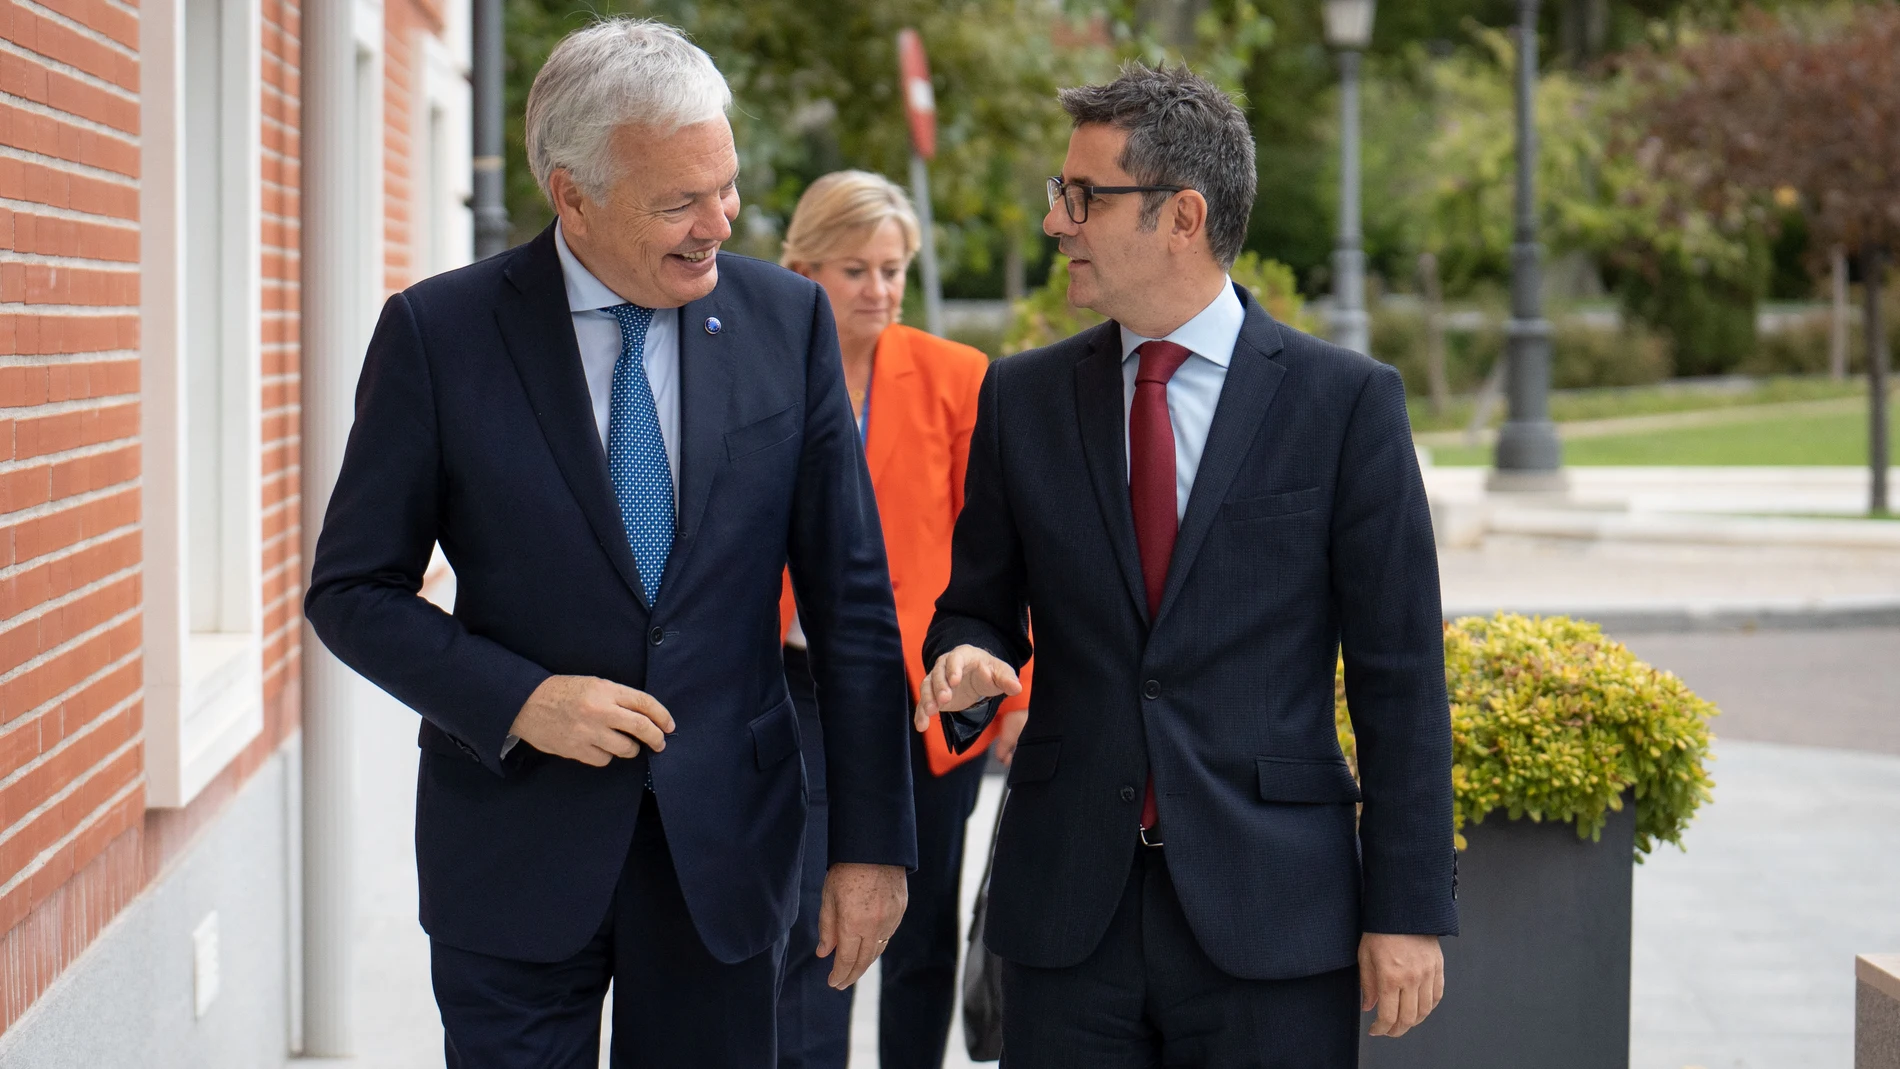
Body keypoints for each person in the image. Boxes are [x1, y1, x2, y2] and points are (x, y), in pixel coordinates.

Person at [304, 20, 916, 1068]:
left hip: (727, 849)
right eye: (678, 202)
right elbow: (353, 590)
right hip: (511, 848)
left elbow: (852, 601)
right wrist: (523, 699)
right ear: (571, 195)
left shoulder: (788, 322)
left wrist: (870, 846)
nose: (716, 223)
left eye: (724, 187)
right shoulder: (439, 335)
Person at [913, 65, 1458, 1066]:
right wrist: (963, 659)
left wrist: (1408, 909)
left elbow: (1401, 676)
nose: (1056, 221)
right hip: (1067, 918)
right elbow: (975, 607)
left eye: (1084, 196)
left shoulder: (1344, 404)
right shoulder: (1022, 399)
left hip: (1275, 916)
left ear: (1183, 216)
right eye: (1060, 192)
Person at [770, 171, 1033, 1069]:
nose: (879, 290)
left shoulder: (958, 377)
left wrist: (1017, 694)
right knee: (810, 917)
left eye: (892, 270)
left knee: (920, 931)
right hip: (797, 685)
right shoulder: (761, 370)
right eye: (855, 270)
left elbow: (1003, 551)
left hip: (929, 692)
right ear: (803, 270)